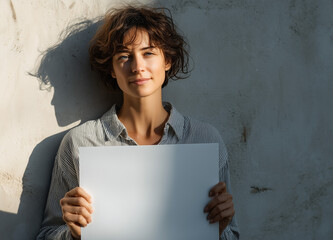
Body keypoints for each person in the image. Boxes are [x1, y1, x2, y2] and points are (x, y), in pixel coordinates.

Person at [37, 5, 239, 240]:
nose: (137, 66)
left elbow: (232, 235)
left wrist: (221, 228)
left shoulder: (205, 140)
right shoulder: (80, 142)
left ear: (168, 60)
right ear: (111, 69)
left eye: (149, 52)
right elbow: (47, 234)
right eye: (124, 56)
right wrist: (74, 235)